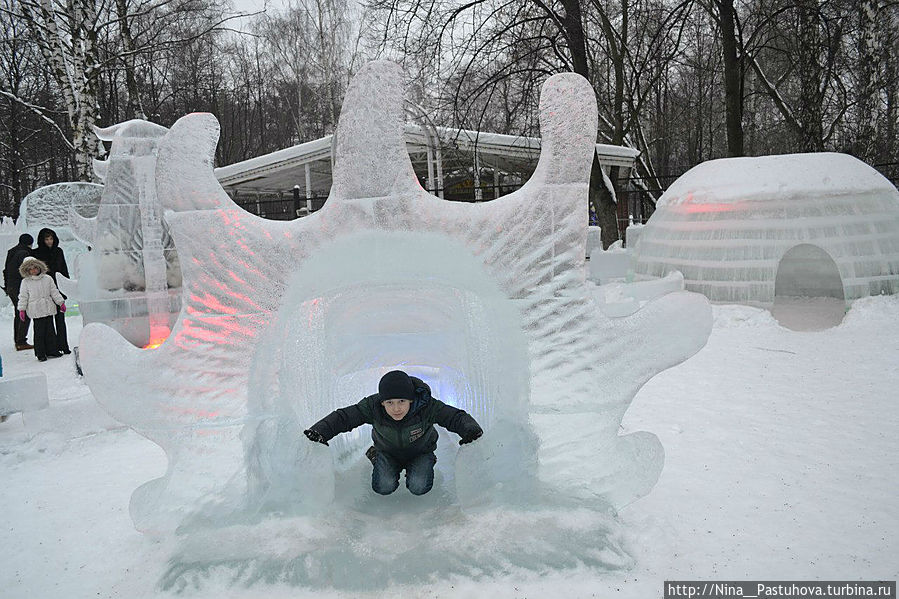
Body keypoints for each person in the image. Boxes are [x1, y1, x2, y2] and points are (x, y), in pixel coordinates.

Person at [303, 370, 483, 496]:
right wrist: (320, 431)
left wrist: (471, 430)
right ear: (382, 402)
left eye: (401, 401)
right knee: (383, 487)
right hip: (387, 452)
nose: (396, 408)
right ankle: (375, 456)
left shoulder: (426, 406)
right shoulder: (372, 407)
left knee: (419, 487)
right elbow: (344, 418)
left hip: (420, 452)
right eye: (389, 402)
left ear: (411, 400)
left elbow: (454, 417)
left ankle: (428, 461)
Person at [17, 257, 66, 362]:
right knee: (39, 333)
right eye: (30, 269)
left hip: (48, 308)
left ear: (39, 267)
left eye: (35, 267)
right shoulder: (26, 282)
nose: (34, 270)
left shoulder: (47, 278)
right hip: (36, 310)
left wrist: (60, 302)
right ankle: (40, 353)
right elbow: (23, 296)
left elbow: (54, 291)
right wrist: (22, 309)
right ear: (27, 271)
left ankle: (52, 350)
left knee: (50, 331)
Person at [32, 228, 70, 354]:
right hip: (44, 290)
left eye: (51, 239)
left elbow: (64, 270)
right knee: (46, 322)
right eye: (47, 239)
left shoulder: (58, 251)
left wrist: (65, 288)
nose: (49, 242)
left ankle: (63, 345)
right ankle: (50, 348)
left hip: (58, 288)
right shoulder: (36, 253)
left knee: (60, 319)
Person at [3, 233, 34, 350]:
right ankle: (21, 341)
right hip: (19, 287)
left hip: (11, 286)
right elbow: (26, 271)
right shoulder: (24, 253)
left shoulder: (12, 251)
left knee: (19, 313)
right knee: (24, 313)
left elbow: (5, 270)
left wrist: (7, 286)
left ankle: (18, 340)